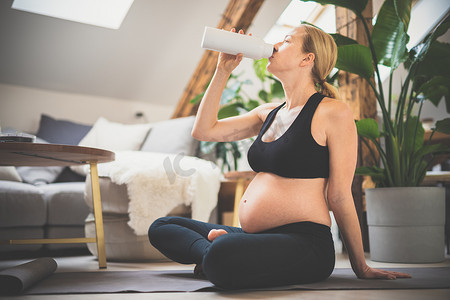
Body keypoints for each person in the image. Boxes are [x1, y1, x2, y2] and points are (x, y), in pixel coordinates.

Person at [148, 25, 411, 289]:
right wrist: (222, 70)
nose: (274, 45)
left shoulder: (333, 113)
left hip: (305, 242)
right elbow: (204, 130)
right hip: (254, 237)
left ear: (307, 59)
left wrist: (361, 266)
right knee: (162, 225)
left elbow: (339, 195)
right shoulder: (268, 112)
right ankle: (216, 252)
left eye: (285, 41)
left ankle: (215, 252)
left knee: (223, 252)